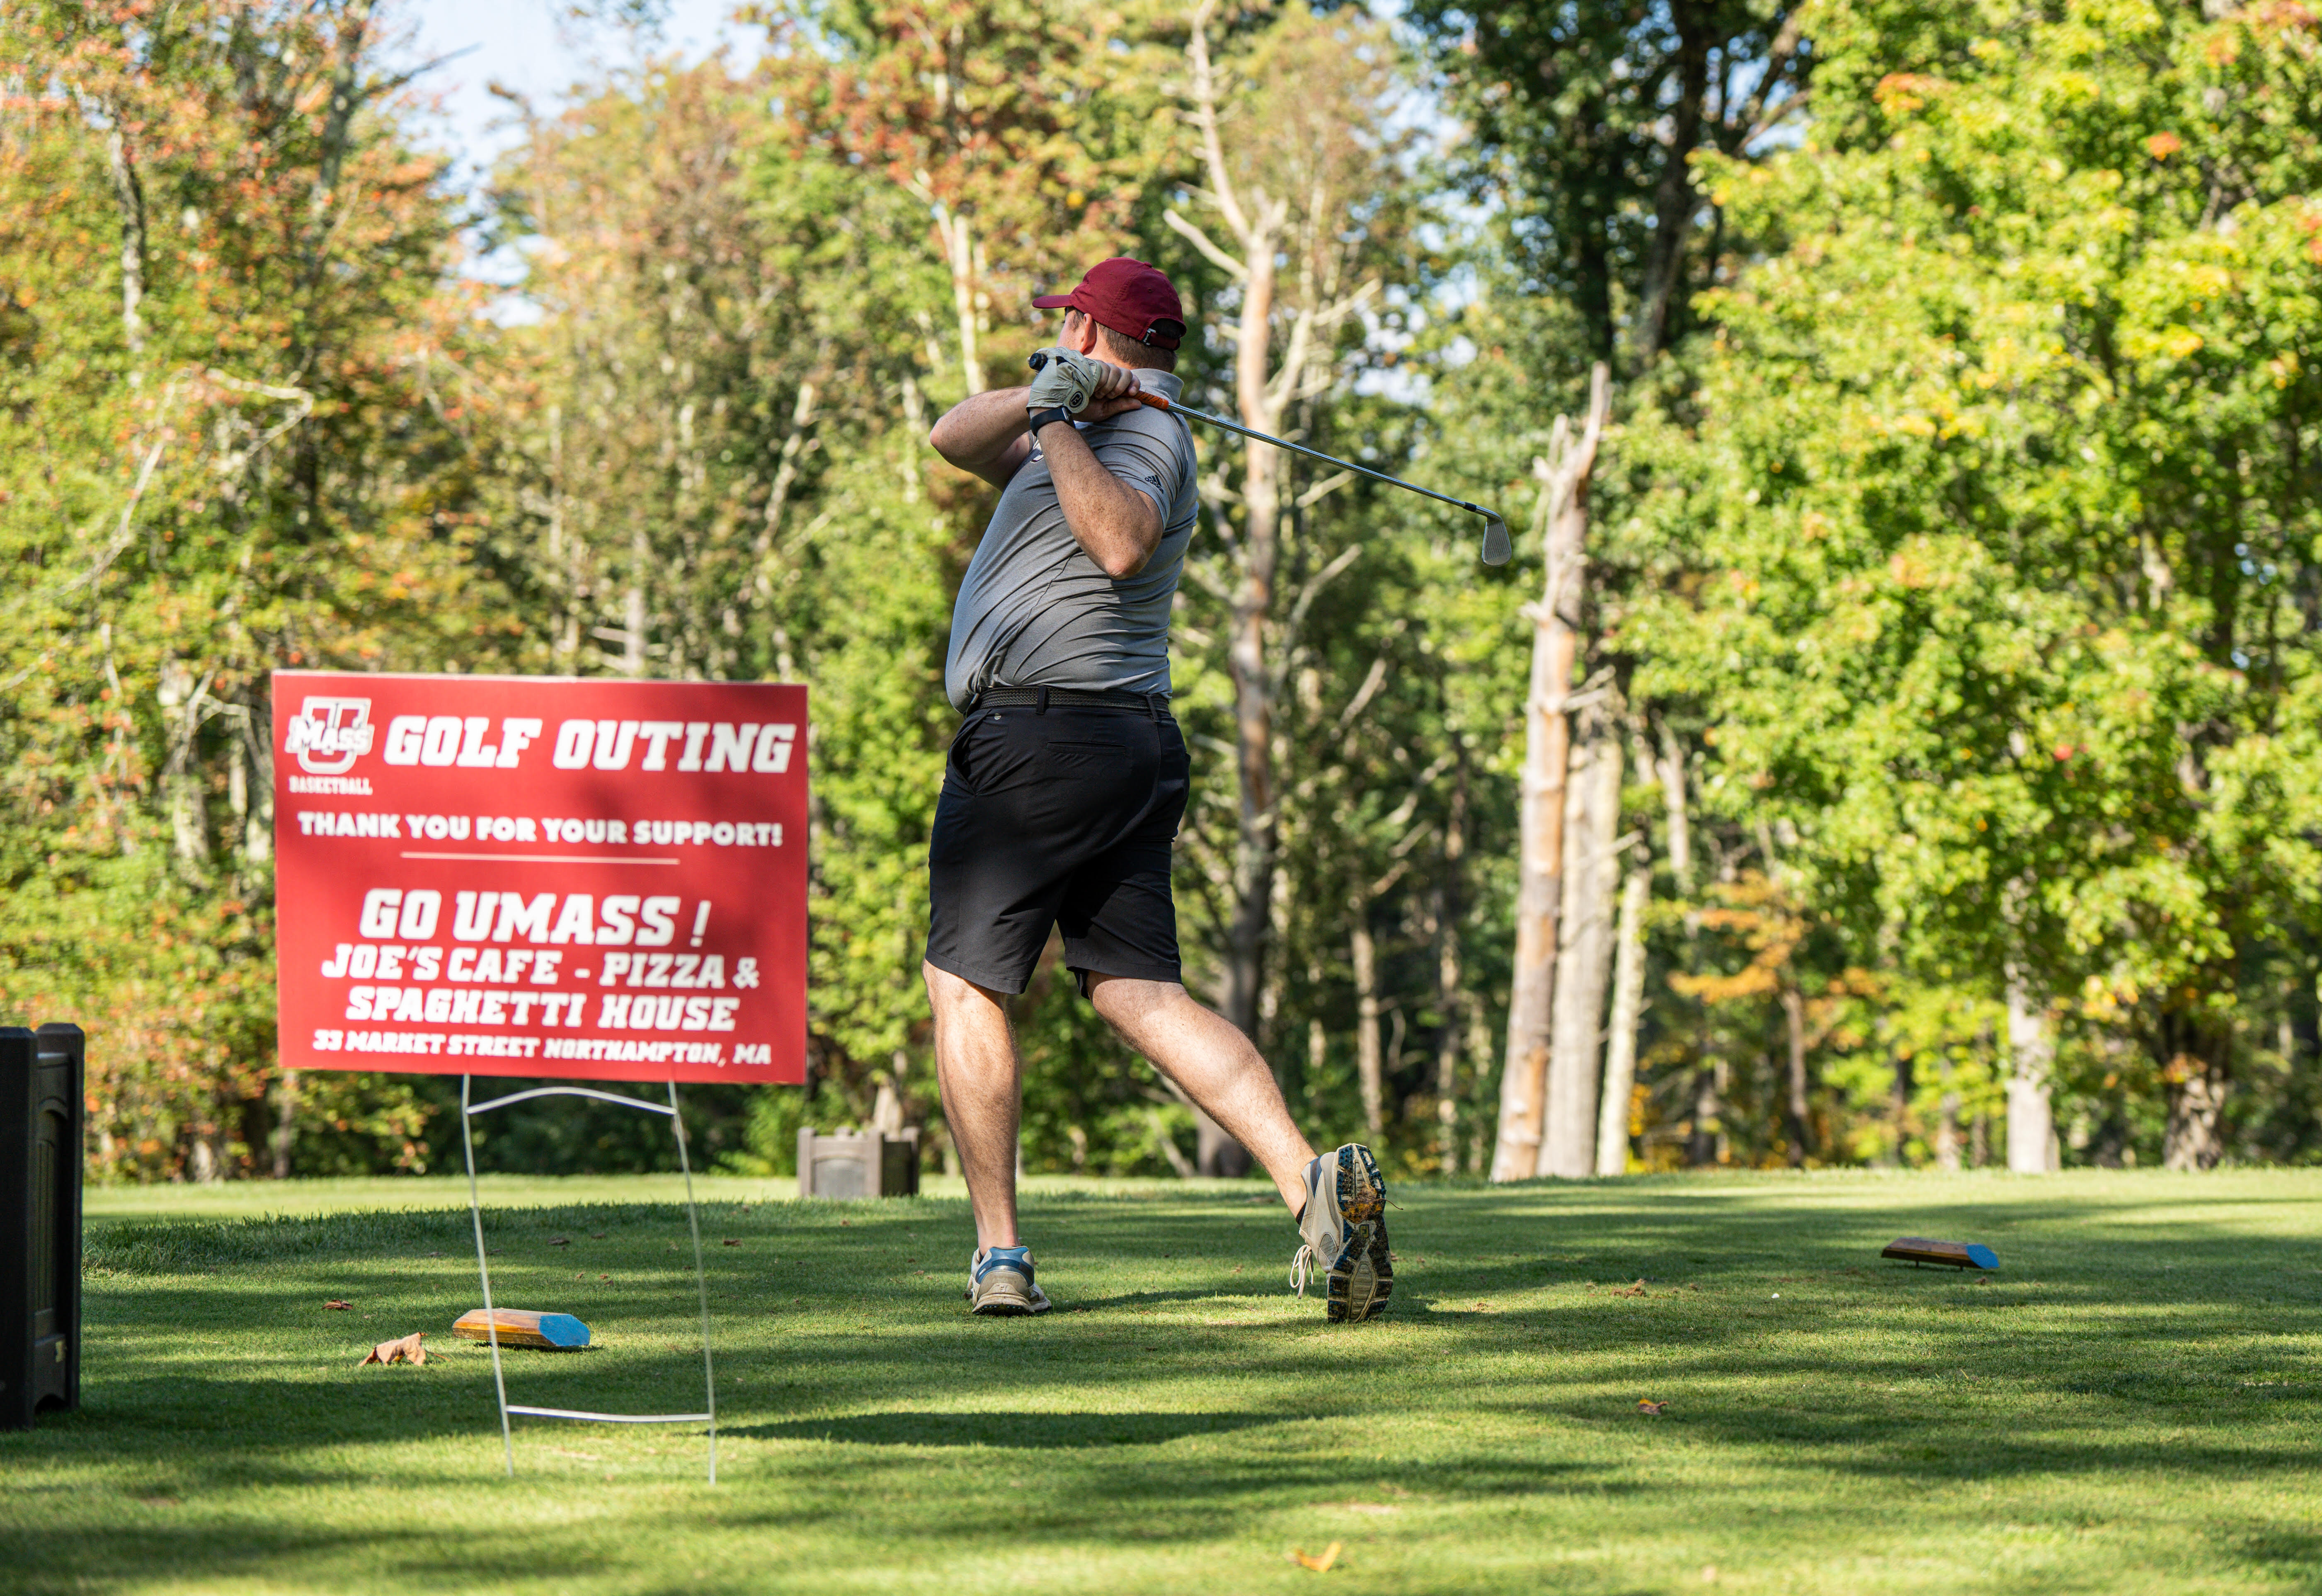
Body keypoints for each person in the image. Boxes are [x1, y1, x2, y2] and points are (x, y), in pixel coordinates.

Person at [923, 256, 1393, 1322]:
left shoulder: (1141, 436)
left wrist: (1056, 422)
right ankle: (1309, 1188)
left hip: (1041, 739)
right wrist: (1047, 397)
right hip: (1118, 743)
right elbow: (951, 437)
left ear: (1090, 328)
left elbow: (1122, 544)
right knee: (1136, 992)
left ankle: (999, 1256)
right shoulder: (1085, 418)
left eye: (1065, 331)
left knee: (965, 985)